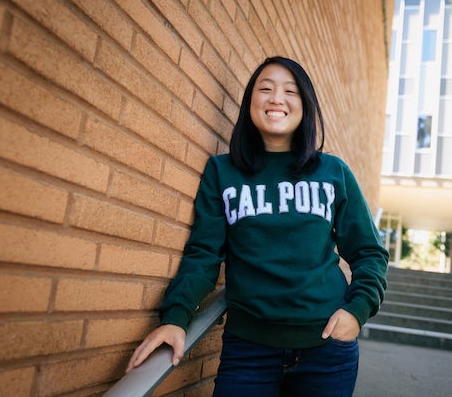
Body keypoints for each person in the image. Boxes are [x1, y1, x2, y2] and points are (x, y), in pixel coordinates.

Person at [126, 56, 389, 397]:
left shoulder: (333, 171)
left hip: (326, 351)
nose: (276, 98)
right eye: (265, 88)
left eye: (290, 91)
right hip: (248, 351)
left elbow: (369, 252)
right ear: (251, 101)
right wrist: (176, 317)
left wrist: (356, 311)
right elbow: (204, 254)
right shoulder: (222, 172)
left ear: (306, 106)